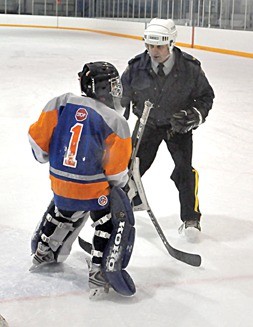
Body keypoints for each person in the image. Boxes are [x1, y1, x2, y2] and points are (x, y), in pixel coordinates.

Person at [28, 61, 136, 298]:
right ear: (102, 88)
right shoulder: (116, 121)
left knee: (63, 209)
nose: (118, 91)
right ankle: (98, 269)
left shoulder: (60, 103)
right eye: (113, 85)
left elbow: (38, 145)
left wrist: (55, 160)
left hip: (59, 184)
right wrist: (124, 181)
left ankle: (44, 250)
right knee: (105, 221)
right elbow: (115, 175)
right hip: (92, 191)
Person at [121, 18, 215, 239]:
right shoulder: (136, 67)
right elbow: (122, 98)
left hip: (178, 128)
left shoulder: (190, 68)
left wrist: (196, 115)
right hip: (147, 126)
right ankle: (120, 211)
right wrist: (116, 121)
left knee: (185, 171)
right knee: (129, 170)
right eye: (150, 45)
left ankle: (191, 219)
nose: (154, 51)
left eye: (159, 46)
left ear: (171, 43)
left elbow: (206, 97)